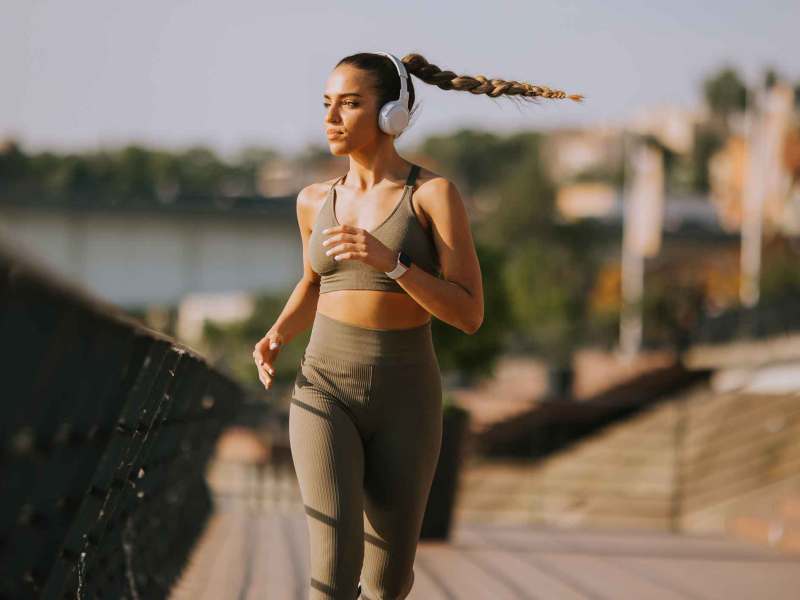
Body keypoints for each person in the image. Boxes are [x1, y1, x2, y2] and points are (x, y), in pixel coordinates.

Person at [253, 51, 582, 599]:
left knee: (387, 583)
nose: (332, 118)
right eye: (327, 104)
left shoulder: (432, 196)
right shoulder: (314, 201)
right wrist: (276, 335)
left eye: (350, 104)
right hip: (323, 387)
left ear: (391, 117)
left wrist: (393, 262)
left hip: (407, 397)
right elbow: (313, 283)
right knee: (331, 571)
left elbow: (469, 313)